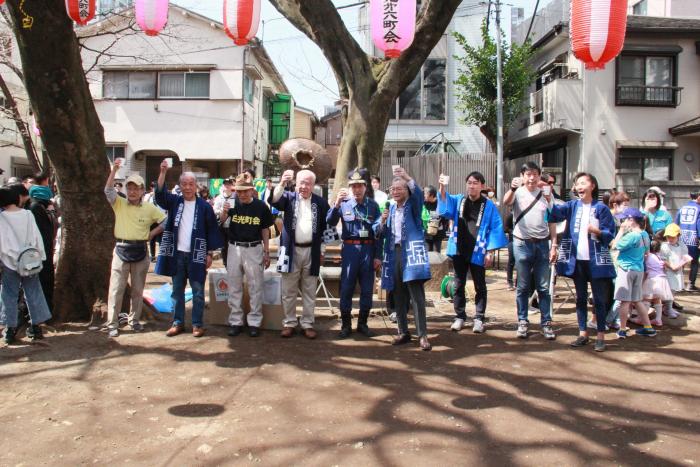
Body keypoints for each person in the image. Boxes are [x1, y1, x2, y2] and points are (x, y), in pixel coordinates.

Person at [155, 160, 223, 338]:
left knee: (198, 292)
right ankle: (177, 323)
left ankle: (197, 324)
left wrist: (209, 254)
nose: (187, 188)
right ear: (179, 186)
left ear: (196, 186)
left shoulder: (205, 207)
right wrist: (162, 172)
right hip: (177, 254)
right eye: (184, 184)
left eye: (190, 184)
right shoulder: (175, 202)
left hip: (197, 254)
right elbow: (160, 196)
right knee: (177, 291)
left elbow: (211, 231)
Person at [549, 173, 616, 352]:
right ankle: (583, 333)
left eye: (582, 183)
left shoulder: (601, 208)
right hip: (576, 260)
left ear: (592, 186)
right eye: (577, 184)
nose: (579, 186)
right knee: (580, 299)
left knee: (599, 300)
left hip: (596, 261)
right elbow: (553, 215)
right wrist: (548, 196)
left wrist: (598, 231)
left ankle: (600, 335)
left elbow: (611, 233)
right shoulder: (571, 206)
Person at [438, 171, 507, 333]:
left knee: (480, 285)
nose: (472, 185)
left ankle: (479, 318)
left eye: (475, 183)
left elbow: (496, 228)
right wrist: (442, 187)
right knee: (458, 284)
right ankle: (460, 316)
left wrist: (489, 251)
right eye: (469, 182)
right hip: (459, 248)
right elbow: (445, 205)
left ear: (482, 186)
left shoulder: (488, 205)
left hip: (479, 250)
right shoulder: (459, 200)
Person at [104, 160, 166, 337]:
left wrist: (152, 233)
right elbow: (107, 191)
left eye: (136, 188)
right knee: (116, 289)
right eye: (129, 188)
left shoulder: (149, 208)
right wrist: (114, 169)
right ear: (125, 190)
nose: (132, 191)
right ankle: (112, 323)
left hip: (140, 250)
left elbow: (165, 221)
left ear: (142, 191)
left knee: (138, 290)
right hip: (120, 249)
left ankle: (135, 320)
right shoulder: (119, 203)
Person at [502, 161, 557, 340]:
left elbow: (552, 221)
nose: (531, 177)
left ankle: (546, 323)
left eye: (534, 173)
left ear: (539, 175)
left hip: (542, 244)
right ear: (522, 176)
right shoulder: (517, 192)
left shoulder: (546, 194)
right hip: (521, 243)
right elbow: (506, 202)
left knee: (543, 286)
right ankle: (523, 321)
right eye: (528, 174)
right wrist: (511, 187)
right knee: (523, 286)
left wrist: (554, 245)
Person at [378, 167, 432, 351]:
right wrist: (382, 221)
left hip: (411, 252)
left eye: (399, 188)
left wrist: (406, 176)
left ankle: (422, 334)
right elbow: (383, 233)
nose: (395, 192)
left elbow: (417, 191)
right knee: (398, 294)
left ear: (406, 190)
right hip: (394, 253)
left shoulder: (414, 204)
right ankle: (403, 331)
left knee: (416, 296)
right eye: (392, 189)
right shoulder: (391, 209)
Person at [272, 169, 330, 339]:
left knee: (310, 290)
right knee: (288, 290)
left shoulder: (320, 203)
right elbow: (274, 200)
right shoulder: (288, 198)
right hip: (289, 250)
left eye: (308, 183)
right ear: (296, 183)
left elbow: (326, 229)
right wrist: (282, 183)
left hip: (312, 251)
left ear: (313, 185)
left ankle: (307, 324)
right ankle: (289, 323)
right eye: (301, 183)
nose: (304, 186)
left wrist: (323, 250)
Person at [326, 168, 382, 339]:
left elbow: (378, 233)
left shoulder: (373, 206)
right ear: (350, 188)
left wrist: (378, 256)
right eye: (354, 186)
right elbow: (330, 221)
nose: (357, 189)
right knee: (347, 288)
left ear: (365, 187)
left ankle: (363, 324)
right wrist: (336, 204)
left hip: (368, 250)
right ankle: (346, 324)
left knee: (366, 289)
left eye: (360, 186)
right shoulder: (344, 203)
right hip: (350, 250)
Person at [221, 174, 273, 338]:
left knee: (255, 287)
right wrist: (224, 212)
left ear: (252, 190)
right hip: (234, 247)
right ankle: (236, 321)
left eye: (245, 191)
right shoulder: (231, 204)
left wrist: (266, 251)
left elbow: (265, 229)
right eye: (239, 191)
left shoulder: (261, 207)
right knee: (234, 286)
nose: (242, 194)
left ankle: (254, 322)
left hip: (254, 248)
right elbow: (221, 222)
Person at [0, 187, 51, 344]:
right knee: (33, 292)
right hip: (30, 261)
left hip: (9, 261)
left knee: (9, 295)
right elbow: (36, 236)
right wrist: (41, 256)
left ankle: (9, 329)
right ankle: (36, 327)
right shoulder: (28, 215)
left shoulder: (2, 217)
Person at [613, 208, 657, 339]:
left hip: (626, 270)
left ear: (631, 220)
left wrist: (620, 231)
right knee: (637, 301)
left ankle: (622, 329)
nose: (623, 221)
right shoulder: (644, 235)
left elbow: (614, 245)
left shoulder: (631, 235)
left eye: (625, 219)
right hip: (639, 269)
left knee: (624, 301)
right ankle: (648, 327)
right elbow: (647, 253)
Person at [27, 175, 58, 315]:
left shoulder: (43, 205)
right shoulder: (35, 206)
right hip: (38, 251)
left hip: (45, 250)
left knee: (45, 281)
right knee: (40, 281)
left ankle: (45, 311)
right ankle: (40, 314)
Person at [638, 240, 673, 327]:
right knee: (657, 299)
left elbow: (646, 271)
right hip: (662, 279)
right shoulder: (659, 256)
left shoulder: (647, 256)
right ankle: (658, 319)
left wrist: (641, 283)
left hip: (653, 279)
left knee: (647, 299)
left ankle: (642, 319)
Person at [659, 223, 687, 318]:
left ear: (678, 236)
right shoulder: (665, 246)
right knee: (669, 290)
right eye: (668, 237)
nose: (670, 239)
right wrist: (671, 267)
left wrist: (681, 264)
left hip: (677, 271)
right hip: (668, 271)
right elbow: (663, 259)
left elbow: (685, 257)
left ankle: (669, 308)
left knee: (674, 290)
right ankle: (667, 308)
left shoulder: (682, 245)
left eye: (672, 237)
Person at [675, 191, 700, 291]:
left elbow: (676, 221)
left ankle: (678, 284)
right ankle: (691, 283)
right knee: (694, 261)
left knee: (682, 260)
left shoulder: (682, 207)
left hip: (682, 236)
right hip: (694, 237)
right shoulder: (699, 208)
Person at [214, 178, 235, 267]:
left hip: (233, 225)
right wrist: (222, 211)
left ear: (231, 185)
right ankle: (225, 262)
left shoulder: (235, 196)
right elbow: (214, 210)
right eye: (225, 184)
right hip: (222, 225)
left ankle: (233, 262)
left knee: (232, 245)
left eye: (229, 184)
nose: (227, 186)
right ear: (223, 185)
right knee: (224, 245)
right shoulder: (219, 197)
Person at [423, 185, 448, 253]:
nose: (424, 195)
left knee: (437, 253)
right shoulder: (424, 203)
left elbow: (446, 218)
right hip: (427, 233)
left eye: (425, 193)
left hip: (438, 233)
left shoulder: (440, 203)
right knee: (428, 254)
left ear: (431, 195)